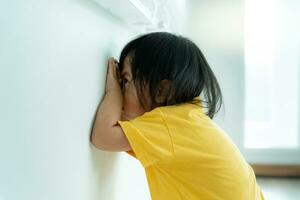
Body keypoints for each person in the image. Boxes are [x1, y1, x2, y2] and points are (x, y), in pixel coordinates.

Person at [90, 32, 265, 200]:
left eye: (126, 80)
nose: (121, 88)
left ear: (161, 90)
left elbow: (103, 136)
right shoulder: (185, 119)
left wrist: (112, 91)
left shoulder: (166, 124)